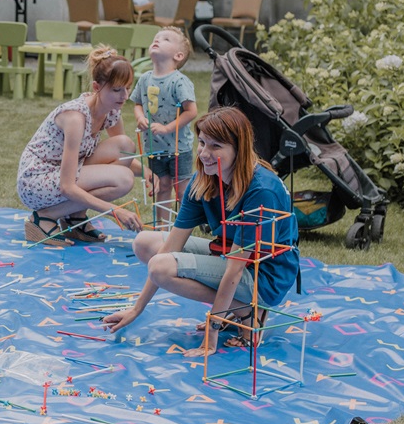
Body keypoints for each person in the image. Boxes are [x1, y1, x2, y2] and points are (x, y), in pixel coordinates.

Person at [101, 106, 300, 356]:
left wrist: (212, 332)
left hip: (266, 275)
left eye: (216, 146)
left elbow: (234, 271)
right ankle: (239, 308)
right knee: (144, 244)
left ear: (239, 149)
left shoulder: (262, 192)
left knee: (161, 268)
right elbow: (170, 247)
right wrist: (136, 309)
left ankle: (248, 312)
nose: (204, 153)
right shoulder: (204, 180)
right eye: (202, 143)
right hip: (230, 254)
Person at [17, 47, 145, 246]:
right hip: (37, 180)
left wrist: (151, 175)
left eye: (128, 88)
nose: (125, 96)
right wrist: (115, 211)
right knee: (124, 179)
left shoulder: (111, 109)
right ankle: (44, 218)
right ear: (96, 87)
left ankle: (74, 218)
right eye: (117, 89)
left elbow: (123, 157)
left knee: (125, 145)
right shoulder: (75, 118)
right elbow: (66, 186)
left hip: (63, 171)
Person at [131, 27, 198, 210]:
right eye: (156, 38)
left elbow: (191, 111)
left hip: (178, 147)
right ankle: (162, 225)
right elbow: (137, 103)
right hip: (154, 146)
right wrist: (140, 117)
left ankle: (184, 224)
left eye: (166, 39)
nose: (158, 40)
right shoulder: (144, 79)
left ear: (178, 56)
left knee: (182, 190)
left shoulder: (179, 81)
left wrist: (167, 128)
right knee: (161, 187)